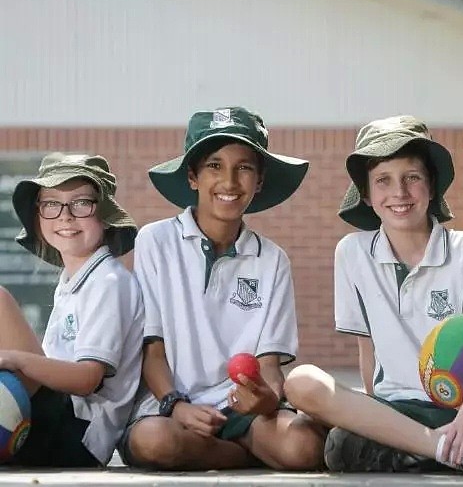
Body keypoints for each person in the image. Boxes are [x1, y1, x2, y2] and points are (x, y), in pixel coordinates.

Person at [284, 115, 463, 477]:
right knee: (302, 382)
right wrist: (371, 418)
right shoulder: (351, 252)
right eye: (383, 181)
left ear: (432, 184)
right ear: (366, 194)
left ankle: (402, 451)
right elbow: (368, 352)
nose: (400, 193)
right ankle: (450, 451)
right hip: (395, 411)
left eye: (412, 177)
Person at [119, 106, 325, 470]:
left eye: (244, 167)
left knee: (304, 448)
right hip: (171, 408)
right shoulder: (156, 240)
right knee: (154, 441)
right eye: (214, 166)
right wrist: (177, 406)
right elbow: (152, 351)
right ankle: (242, 456)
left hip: (242, 414)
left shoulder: (272, 259)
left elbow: (270, 368)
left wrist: (264, 401)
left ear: (259, 181)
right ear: (193, 177)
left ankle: (246, 447)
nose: (229, 182)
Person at [0, 152, 142, 467]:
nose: (65, 216)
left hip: (77, 437)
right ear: (38, 216)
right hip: (58, 423)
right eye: (51, 204)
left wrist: (14, 359)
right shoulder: (74, 281)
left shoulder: (108, 281)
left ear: (105, 216)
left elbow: (87, 379)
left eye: (81, 204)